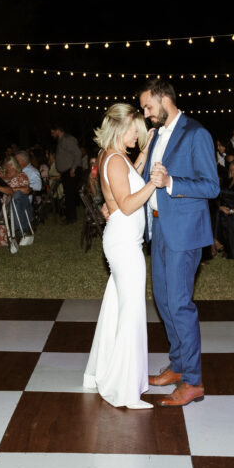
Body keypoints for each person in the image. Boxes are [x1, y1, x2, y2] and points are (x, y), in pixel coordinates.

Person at [138, 79, 220, 408]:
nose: (146, 114)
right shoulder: (157, 134)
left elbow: (211, 186)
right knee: (163, 300)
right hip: (158, 228)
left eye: (148, 106)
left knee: (180, 304)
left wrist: (171, 181)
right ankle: (179, 365)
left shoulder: (196, 133)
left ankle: (193, 381)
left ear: (165, 99)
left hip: (184, 232)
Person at [83, 103, 156, 409]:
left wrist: (144, 156)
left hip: (122, 240)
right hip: (125, 244)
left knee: (116, 306)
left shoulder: (112, 155)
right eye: (133, 130)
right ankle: (124, 390)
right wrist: (153, 183)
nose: (137, 135)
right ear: (119, 128)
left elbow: (127, 180)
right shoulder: (114, 159)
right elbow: (126, 204)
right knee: (131, 312)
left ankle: (102, 372)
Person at [51, 124, 81, 224]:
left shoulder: (68, 139)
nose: (52, 134)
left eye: (53, 132)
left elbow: (77, 154)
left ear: (58, 131)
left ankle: (71, 218)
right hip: (65, 172)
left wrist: (73, 168)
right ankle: (70, 216)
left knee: (69, 195)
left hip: (70, 171)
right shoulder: (61, 140)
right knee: (68, 194)